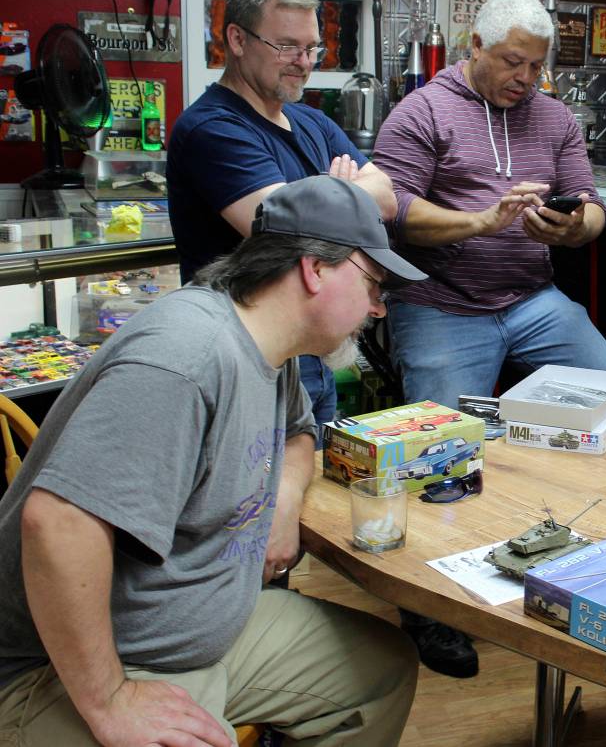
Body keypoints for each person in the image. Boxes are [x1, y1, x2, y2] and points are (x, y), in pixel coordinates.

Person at [0, 175, 426, 747]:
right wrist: (109, 700)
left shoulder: (270, 342)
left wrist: (282, 498)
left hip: (201, 627)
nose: (378, 307)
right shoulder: (183, 359)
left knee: (381, 668)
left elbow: (299, 435)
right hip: (73, 667)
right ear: (314, 268)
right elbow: (56, 524)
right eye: (374, 283)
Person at [371, 0, 606, 679]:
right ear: (474, 45)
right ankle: (428, 608)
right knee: (438, 452)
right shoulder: (421, 111)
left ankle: (578, 550)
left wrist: (575, 228)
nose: (527, 79)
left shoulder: (554, 117)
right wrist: (482, 223)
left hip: (531, 299)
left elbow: (594, 207)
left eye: (538, 67)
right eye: (514, 62)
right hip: (441, 304)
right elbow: (390, 213)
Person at [167, 0, 397, 447]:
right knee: (250, 503)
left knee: (307, 492)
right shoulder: (213, 128)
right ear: (236, 38)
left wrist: (332, 194)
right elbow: (286, 230)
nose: (304, 63)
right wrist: (344, 192)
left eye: (313, 48)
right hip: (244, 356)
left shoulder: (312, 120)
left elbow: (389, 197)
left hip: (310, 347)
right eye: (287, 46)